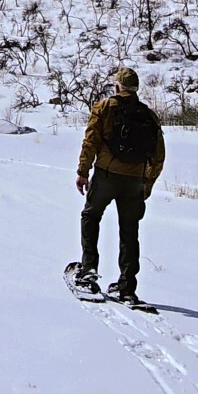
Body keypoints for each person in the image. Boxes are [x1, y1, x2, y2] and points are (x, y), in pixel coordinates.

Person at [75, 66, 165, 304]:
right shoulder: (148, 115)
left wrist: (83, 172)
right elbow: (158, 155)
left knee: (90, 216)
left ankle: (88, 270)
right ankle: (127, 287)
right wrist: (148, 182)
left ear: (117, 86)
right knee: (129, 230)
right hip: (134, 181)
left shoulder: (104, 107)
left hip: (106, 175)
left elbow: (90, 141)